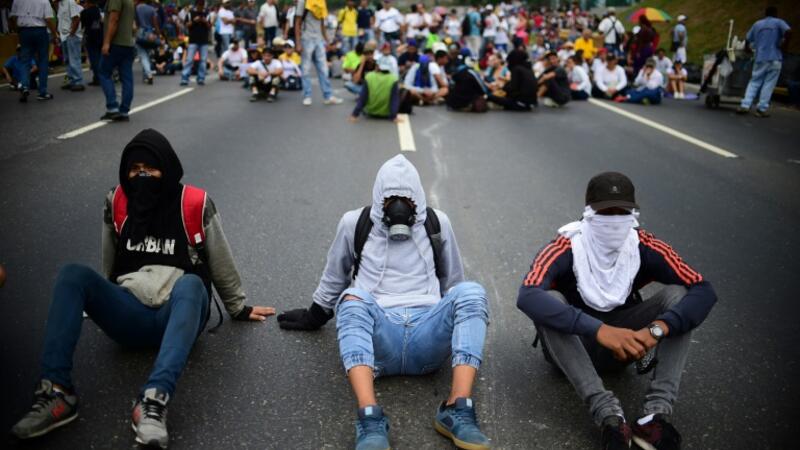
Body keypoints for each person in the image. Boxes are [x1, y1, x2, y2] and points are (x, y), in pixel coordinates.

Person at [9, 129, 276, 448]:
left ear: (167, 167)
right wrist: (97, 300)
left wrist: (238, 307)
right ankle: (57, 392)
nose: (142, 175)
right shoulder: (117, 201)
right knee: (72, 274)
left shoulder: (193, 202)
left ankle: (153, 401)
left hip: (178, 313)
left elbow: (219, 257)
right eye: (135, 169)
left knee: (192, 283)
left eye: (151, 168)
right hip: (131, 313)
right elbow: (109, 261)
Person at [277, 155, 491, 450]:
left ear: (418, 198)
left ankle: (458, 407)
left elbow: (453, 282)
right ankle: (370, 418)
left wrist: (461, 319)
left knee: (471, 292)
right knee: (351, 299)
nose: (399, 207)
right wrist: (315, 315)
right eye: (391, 200)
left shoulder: (437, 223)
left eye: (408, 200)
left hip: (427, 338)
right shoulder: (355, 223)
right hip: (379, 342)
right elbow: (335, 276)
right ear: (379, 198)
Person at [517, 171, 717, 450]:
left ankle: (654, 416)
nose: (613, 221)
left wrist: (656, 330)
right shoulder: (566, 245)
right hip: (572, 349)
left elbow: (703, 289)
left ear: (633, 214)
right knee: (548, 300)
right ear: (588, 213)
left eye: (621, 213)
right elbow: (527, 295)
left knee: (679, 295)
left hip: (625, 348)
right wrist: (599, 329)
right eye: (605, 213)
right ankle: (608, 416)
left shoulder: (644, 246)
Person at [737, 6, 792, 117]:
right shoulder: (779, 22)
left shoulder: (757, 24)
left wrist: (747, 49)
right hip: (775, 58)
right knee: (769, 84)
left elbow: (747, 40)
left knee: (754, 82)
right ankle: (761, 109)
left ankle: (745, 105)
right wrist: (785, 45)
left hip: (760, 58)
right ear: (776, 14)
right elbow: (789, 31)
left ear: (765, 14)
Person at [295, 0, 343, 106]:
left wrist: (327, 41)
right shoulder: (303, 2)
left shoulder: (321, 2)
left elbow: (322, 23)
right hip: (306, 38)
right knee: (306, 69)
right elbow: (297, 22)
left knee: (323, 69)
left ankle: (328, 96)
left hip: (319, 40)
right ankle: (307, 96)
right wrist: (298, 43)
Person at [9, 0, 58, 102]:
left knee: (25, 61)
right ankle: (42, 92)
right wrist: (55, 34)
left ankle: (24, 86)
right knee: (43, 61)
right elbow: (48, 19)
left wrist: (18, 30)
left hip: (24, 31)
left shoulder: (17, 0)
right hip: (40, 31)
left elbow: (13, 18)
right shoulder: (44, 1)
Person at [98, 0, 136, 121]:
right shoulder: (130, 1)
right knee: (127, 78)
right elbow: (133, 26)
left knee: (104, 72)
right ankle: (124, 111)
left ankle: (112, 107)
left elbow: (114, 19)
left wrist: (106, 42)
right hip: (128, 44)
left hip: (116, 43)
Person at [349, 55, 402, 122]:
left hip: (370, 112)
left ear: (377, 66)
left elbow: (363, 98)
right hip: (386, 114)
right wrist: (394, 116)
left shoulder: (369, 76)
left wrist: (354, 114)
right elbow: (394, 99)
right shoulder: (393, 79)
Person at [180, 0, 210, 86]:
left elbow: (209, 26)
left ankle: (201, 78)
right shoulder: (190, 13)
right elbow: (186, 25)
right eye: (199, 4)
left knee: (203, 61)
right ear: (196, 5)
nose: (201, 6)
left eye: (202, 4)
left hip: (204, 40)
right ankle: (184, 78)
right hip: (193, 40)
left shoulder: (206, 13)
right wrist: (194, 21)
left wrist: (204, 21)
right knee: (189, 60)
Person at [57, 0, 85, 91]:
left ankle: (78, 82)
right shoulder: (60, 4)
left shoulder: (70, 2)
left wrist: (72, 33)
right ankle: (72, 80)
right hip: (64, 36)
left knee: (74, 59)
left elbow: (76, 19)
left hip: (71, 35)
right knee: (67, 60)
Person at [135, 0, 160, 85]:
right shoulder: (152, 9)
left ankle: (148, 74)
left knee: (143, 56)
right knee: (148, 55)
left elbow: (136, 21)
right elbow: (155, 23)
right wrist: (158, 34)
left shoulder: (137, 8)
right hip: (150, 33)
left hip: (140, 32)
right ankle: (146, 75)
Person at [80, 0, 104, 86]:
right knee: (100, 57)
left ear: (88, 2)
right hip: (100, 36)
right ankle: (101, 77)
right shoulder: (98, 10)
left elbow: (82, 25)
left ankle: (97, 78)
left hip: (90, 37)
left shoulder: (84, 12)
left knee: (94, 59)